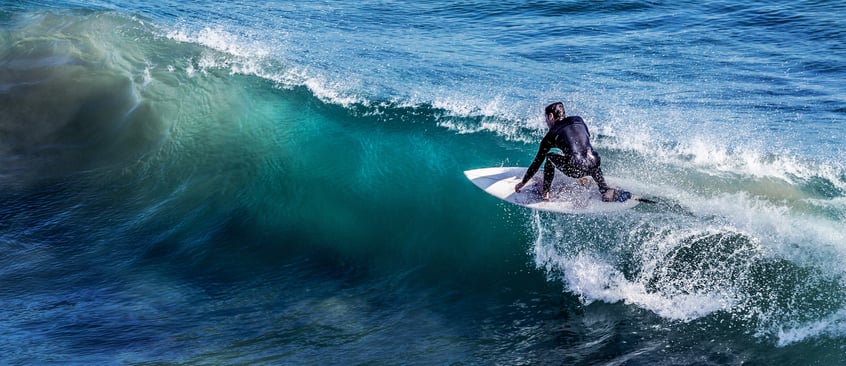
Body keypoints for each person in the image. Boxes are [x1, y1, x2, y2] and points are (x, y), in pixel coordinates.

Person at [514, 102, 628, 202]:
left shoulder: (551, 134)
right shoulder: (579, 120)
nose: (546, 122)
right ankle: (604, 189)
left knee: (549, 157)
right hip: (595, 163)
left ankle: (546, 192)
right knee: (587, 154)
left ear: (551, 116)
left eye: (546, 119)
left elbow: (537, 162)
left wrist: (523, 182)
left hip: (575, 170)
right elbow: (583, 141)